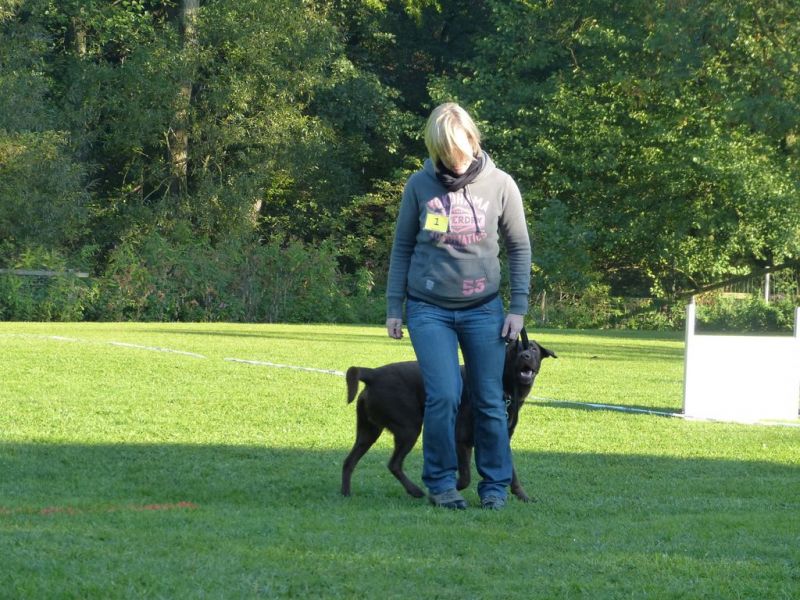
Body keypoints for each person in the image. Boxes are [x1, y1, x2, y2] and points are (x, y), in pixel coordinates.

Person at [385, 102, 531, 510]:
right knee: (444, 396)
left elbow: (519, 247)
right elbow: (402, 247)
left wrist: (517, 307)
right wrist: (395, 306)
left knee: (489, 399)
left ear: (472, 139)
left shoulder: (501, 185)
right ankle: (441, 484)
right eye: (445, 153)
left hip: (484, 309)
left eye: (459, 151)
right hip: (428, 308)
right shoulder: (419, 185)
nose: (453, 161)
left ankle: (495, 486)